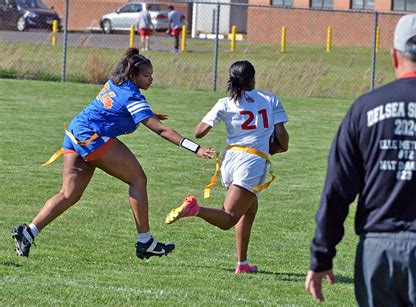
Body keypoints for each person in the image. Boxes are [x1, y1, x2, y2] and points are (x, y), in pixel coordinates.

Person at [305, 14, 416, 306]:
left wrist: (322, 255)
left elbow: (336, 190)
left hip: (378, 252)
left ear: (395, 57)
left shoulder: (364, 109)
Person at [11, 47, 215, 260]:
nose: (151, 79)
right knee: (138, 179)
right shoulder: (133, 97)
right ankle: (145, 241)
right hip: (92, 137)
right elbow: (161, 130)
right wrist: (196, 148)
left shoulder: (116, 81)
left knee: (68, 194)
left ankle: (28, 232)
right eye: (146, 76)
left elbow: (114, 108)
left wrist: (149, 113)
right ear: (134, 75)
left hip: (74, 132)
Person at [165, 60, 289, 274]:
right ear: (253, 78)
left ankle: (242, 263)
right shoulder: (270, 100)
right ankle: (194, 209)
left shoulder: (225, 102)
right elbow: (282, 137)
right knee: (229, 218)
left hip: (230, 159)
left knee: (249, 210)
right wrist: (277, 148)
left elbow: (199, 132)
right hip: (252, 161)